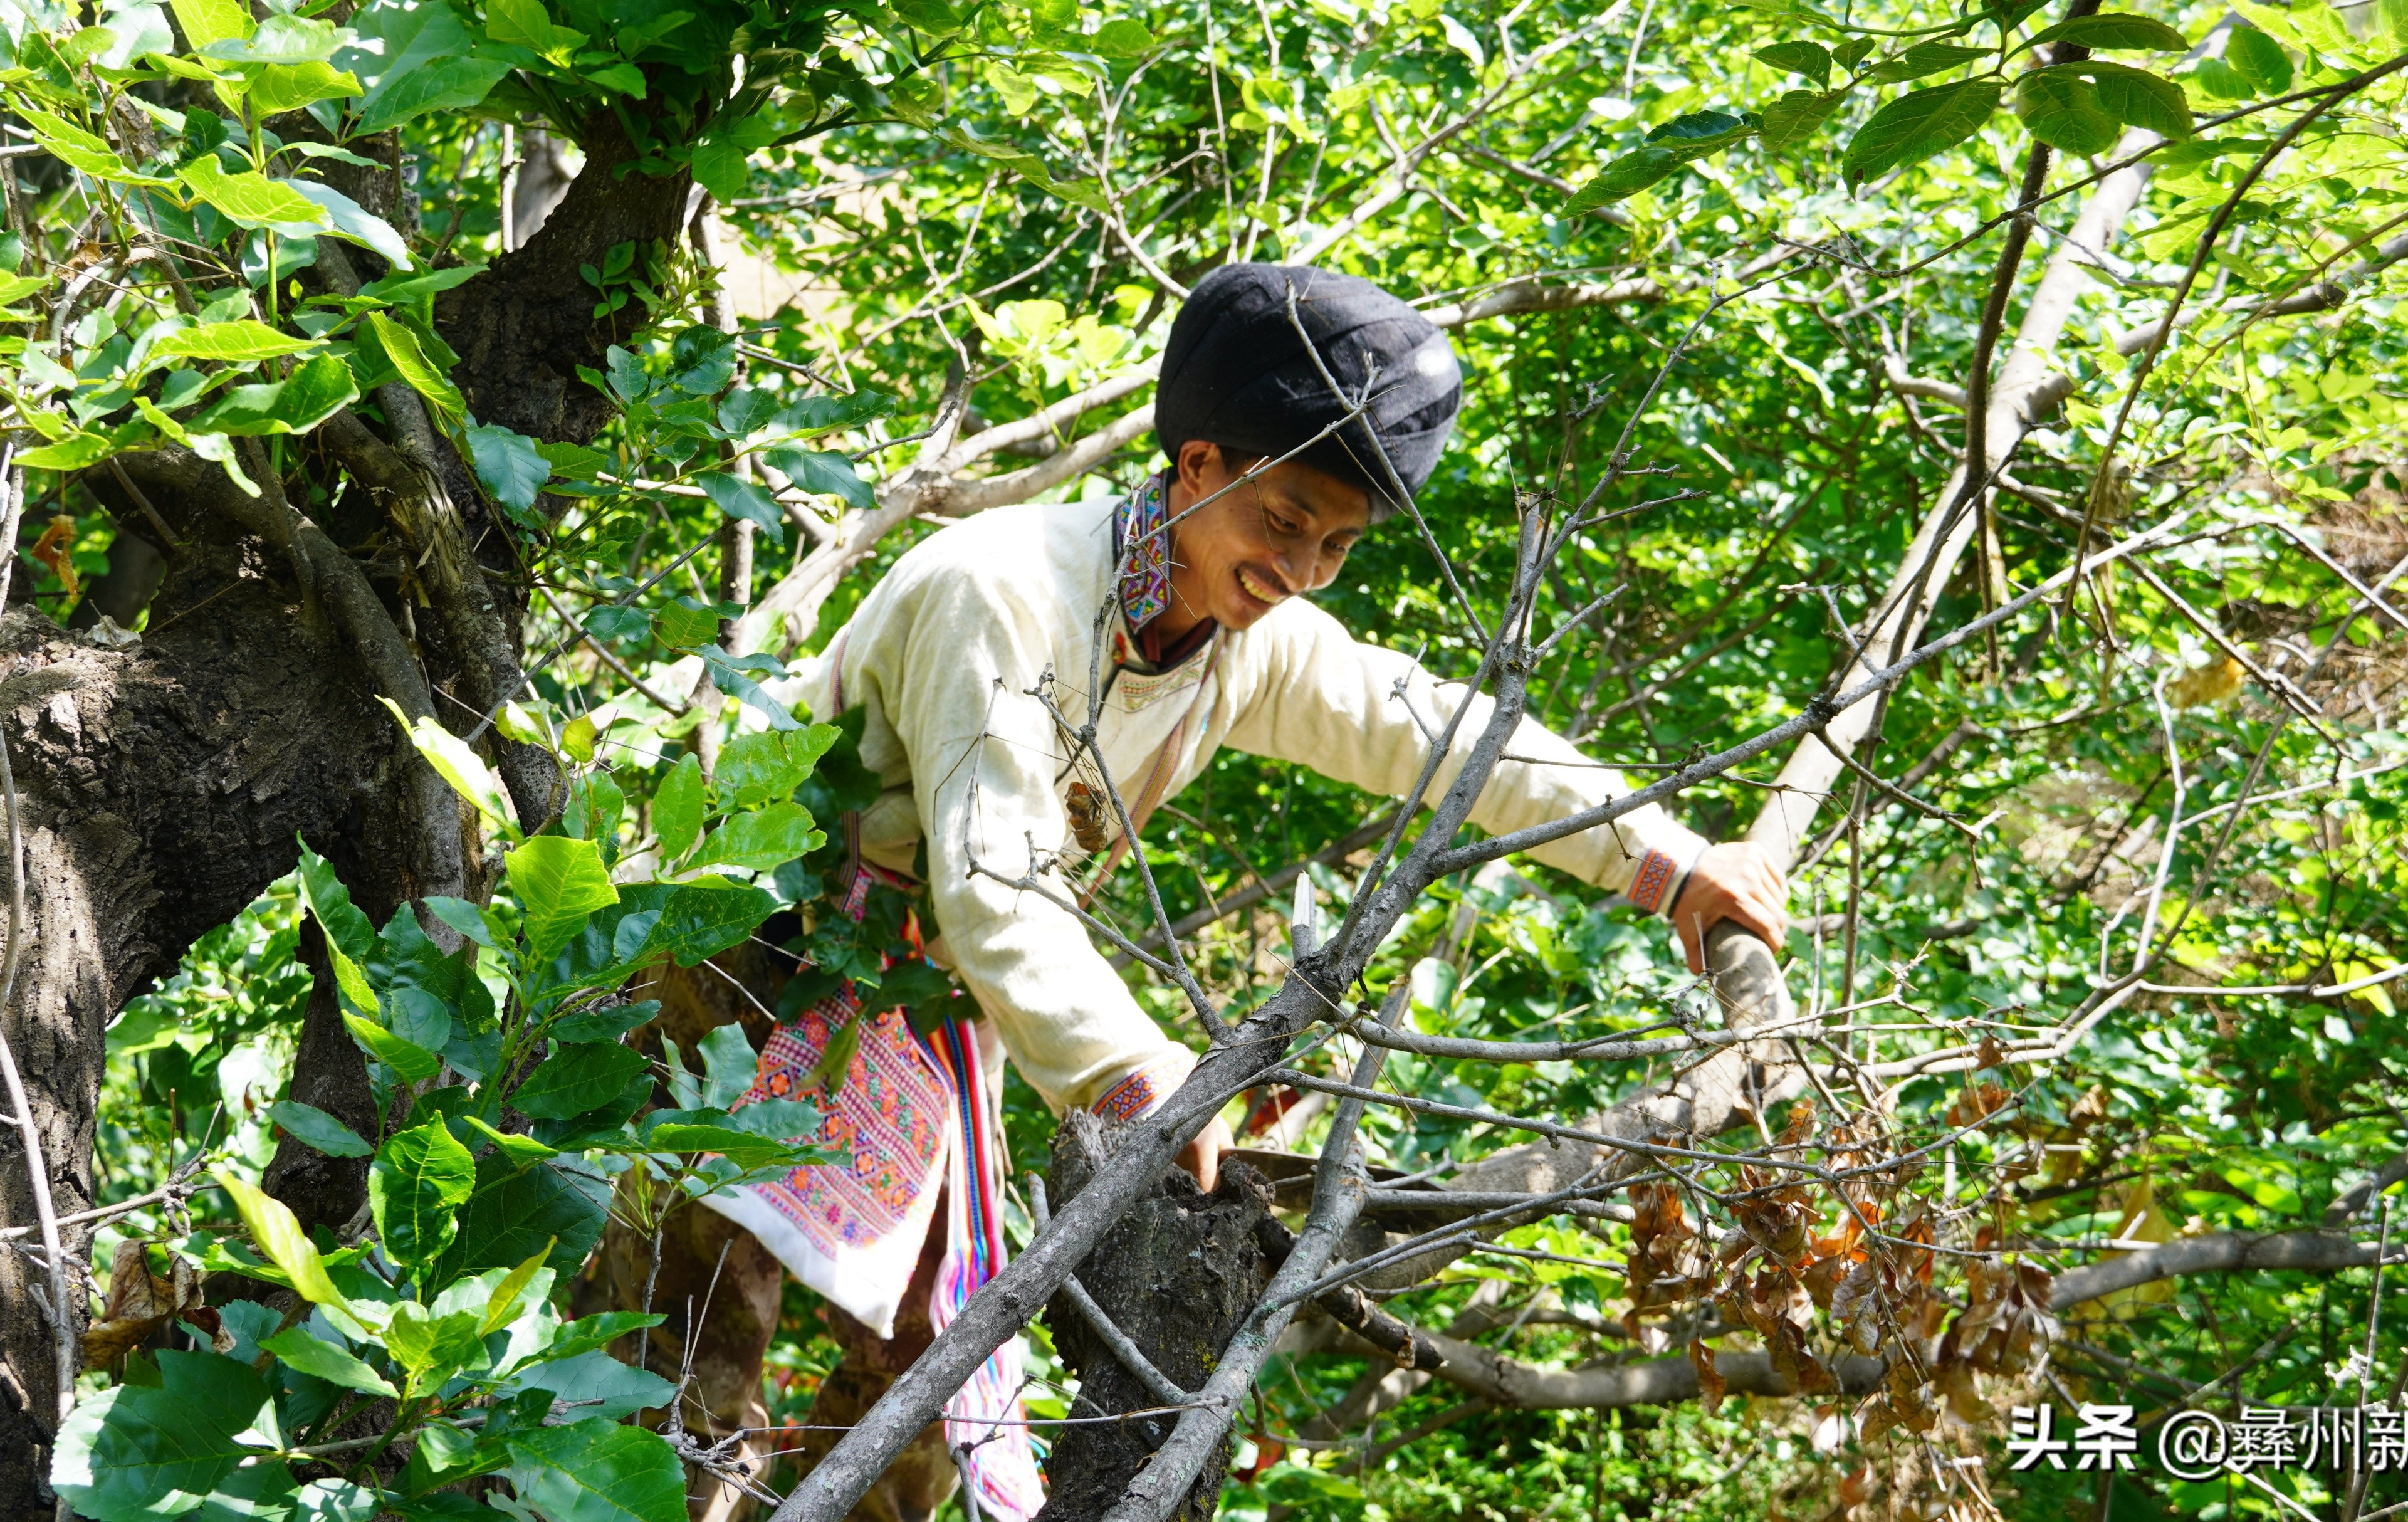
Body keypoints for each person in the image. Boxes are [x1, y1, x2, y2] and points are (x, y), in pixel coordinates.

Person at [664, 263, 1790, 1519]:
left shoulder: (1245, 637)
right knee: (692, 1385)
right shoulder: (1001, 589)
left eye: (1339, 545)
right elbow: (995, 883)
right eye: (1286, 519)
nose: (1302, 567)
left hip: (924, 1003)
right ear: (1195, 463)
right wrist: (1135, 1069)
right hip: (751, 968)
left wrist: (1669, 861)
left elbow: (1431, 729)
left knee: (930, 1387)